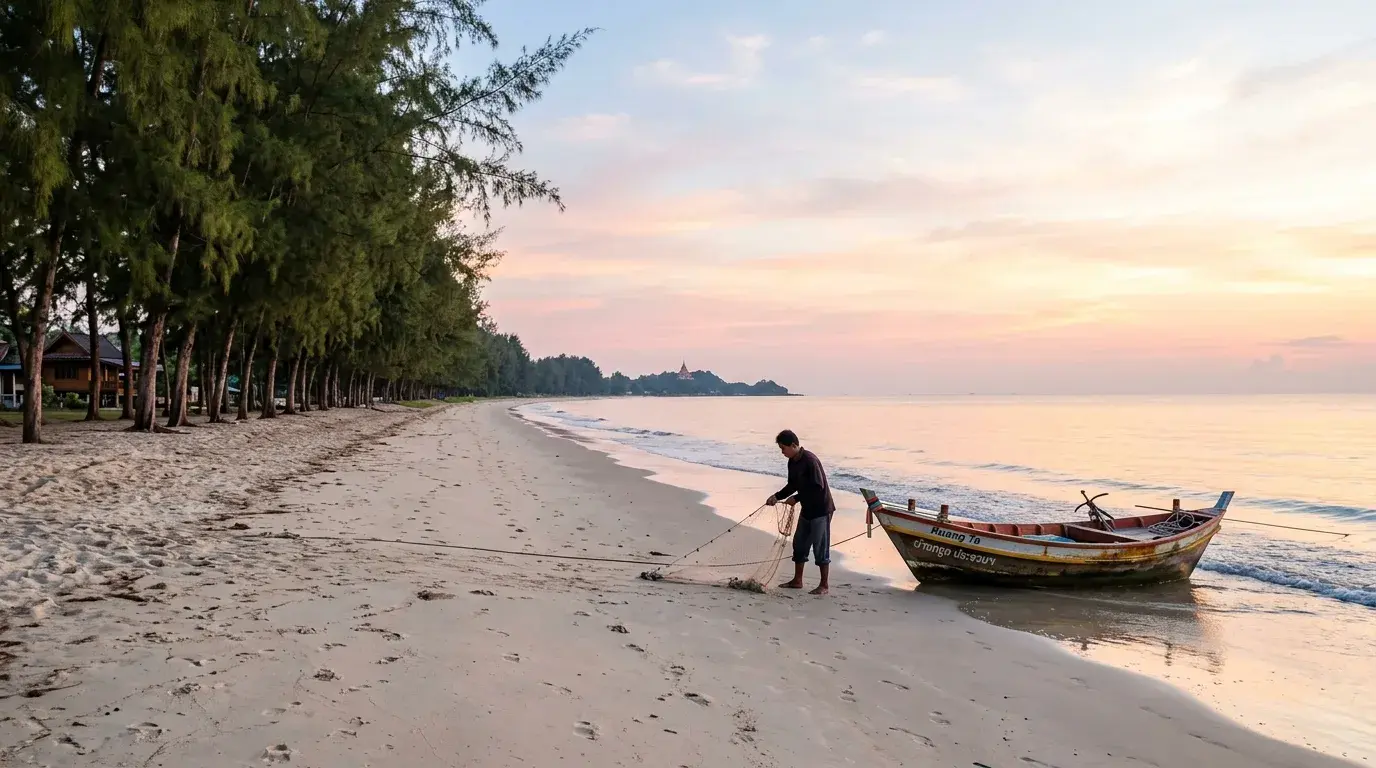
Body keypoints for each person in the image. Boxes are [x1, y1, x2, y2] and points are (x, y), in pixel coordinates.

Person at [766, 429, 836, 595]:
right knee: (799, 543)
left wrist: (796, 499)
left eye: (783, 448)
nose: (782, 452)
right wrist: (776, 496)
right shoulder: (792, 462)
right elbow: (792, 485)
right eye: (781, 449)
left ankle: (824, 585)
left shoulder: (810, 460)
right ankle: (797, 581)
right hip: (807, 510)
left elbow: (817, 487)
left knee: (820, 546)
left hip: (821, 509)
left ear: (794, 445)